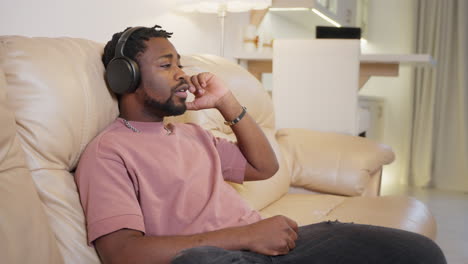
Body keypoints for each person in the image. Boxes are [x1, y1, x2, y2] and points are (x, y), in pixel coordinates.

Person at [75, 25, 446, 264]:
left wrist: (227, 103)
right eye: (167, 65)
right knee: (197, 261)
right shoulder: (110, 151)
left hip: (269, 243)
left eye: (181, 65)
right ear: (127, 77)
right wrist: (247, 237)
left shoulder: (192, 134)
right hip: (219, 256)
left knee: (417, 252)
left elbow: (265, 167)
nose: (183, 75)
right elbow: (121, 252)